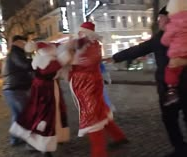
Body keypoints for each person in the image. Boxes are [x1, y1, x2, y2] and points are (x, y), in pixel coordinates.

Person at [111, 6, 187, 157]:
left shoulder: (182, 34)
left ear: (169, 18)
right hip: (166, 87)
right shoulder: (159, 38)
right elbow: (139, 49)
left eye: (160, 19)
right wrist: (115, 57)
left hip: (183, 84)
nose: (159, 22)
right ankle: (179, 149)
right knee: (169, 119)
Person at [68, 22, 127, 157]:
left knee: (92, 118)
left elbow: (77, 60)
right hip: (91, 83)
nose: (79, 34)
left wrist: (68, 52)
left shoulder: (86, 46)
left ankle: (99, 153)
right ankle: (119, 136)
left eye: (81, 32)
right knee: (100, 112)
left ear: (86, 34)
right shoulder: (93, 45)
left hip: (86, 85)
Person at [9, 42, 70, 157]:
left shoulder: (40, 59)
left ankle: (45, 143)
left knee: (41, 116)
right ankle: (45, 147)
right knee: (46, 118)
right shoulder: (47, 61)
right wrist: (65, 54)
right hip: (46, 93)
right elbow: (58, 65)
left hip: (44, 91)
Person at [2, 35, 33, 146]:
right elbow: (24, 65)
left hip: (12, 88)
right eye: (24, 43)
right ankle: (28, 140)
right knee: (25, 114)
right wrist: (36, 62)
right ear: (18, 42)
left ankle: (15, 139)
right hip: (15, 88)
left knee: (18, 114)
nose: (25, 45)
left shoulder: (13, 53)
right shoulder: (16, 53)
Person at [160, 0, 187, 106]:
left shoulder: (173, 25)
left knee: (171, 70)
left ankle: (172, 90)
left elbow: (165, 40)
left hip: (177, 54)